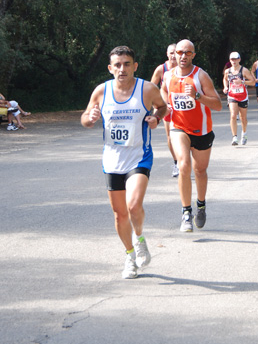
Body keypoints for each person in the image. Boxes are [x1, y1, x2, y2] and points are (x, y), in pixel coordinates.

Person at [81, 45, 167, 280]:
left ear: (135, 66)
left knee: (133, 205)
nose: (122, 69)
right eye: (117, 65)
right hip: (112, 160)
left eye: (127, 64)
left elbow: (163, 107)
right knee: (119, 215)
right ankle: (129, 256)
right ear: (110, 68)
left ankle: (139, 238)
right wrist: (90, 118)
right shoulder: (101, 91)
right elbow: (85, 118)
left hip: (139, 156)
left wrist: (156, 118)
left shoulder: (147, 89)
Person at [161, 39, 222, 233]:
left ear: (193, 55)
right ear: (174, 54)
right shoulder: (168, 76)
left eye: (187, 53)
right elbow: (163, 92)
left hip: (202, 131)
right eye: (180, 52)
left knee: (200, 171)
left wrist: (198, 96)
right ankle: (186, 213)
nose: (183, 56)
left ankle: (201, 206)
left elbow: (218, 105)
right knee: (183, 165)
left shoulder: (201, 76)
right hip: (179, 127)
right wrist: (165, 106)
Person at [151, 44, 179, 177]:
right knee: (170, 137)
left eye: (176, 52)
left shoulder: (184, 68)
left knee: (186, 135)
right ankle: (176, 163)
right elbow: (151, 87)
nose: (173, 55)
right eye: (171, 53)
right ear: (167, 54)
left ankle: (184, 158)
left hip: (181, 107)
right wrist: (155, 105)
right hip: (167, 108)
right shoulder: (161, 69)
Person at [223, 51, 256, 146]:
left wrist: (242, 82)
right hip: (232, 96)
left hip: (243, 96)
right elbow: (225, 79)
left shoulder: (244, 70)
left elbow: (253, 82)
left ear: (239, 59)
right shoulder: (227, 71)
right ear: (230, 60)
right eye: (232, 59)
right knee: (233, 115)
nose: (234, 61)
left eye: (236, 59)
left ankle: (244, 134)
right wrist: (225, 87)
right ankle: (234, 137)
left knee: (243, 118)